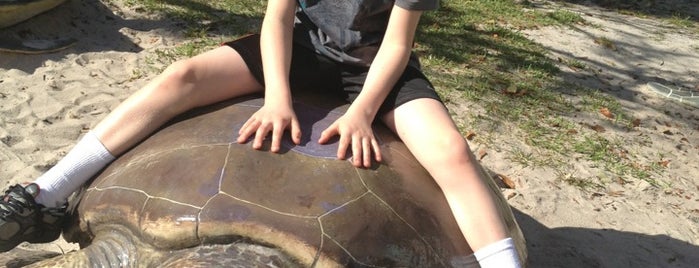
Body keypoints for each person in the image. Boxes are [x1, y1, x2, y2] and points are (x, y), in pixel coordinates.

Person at [0, 0, 521, 266]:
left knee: (450, 152)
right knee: (181, 77)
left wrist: (363, 112)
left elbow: (396, 45)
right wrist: (277, 96)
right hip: (299, 53)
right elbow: (277, 20)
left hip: (372, 67)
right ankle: (45, 195)